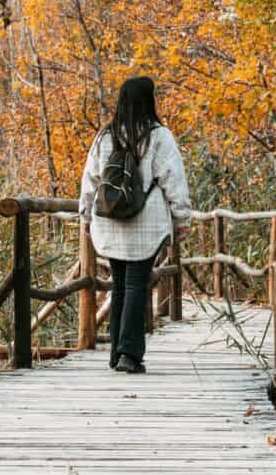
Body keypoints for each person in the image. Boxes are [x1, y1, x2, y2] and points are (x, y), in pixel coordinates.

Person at [79, 76, 192, 374]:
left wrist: (85, 216)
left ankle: (117, 353)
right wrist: (182, 219)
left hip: (109, 222)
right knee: (136, 285)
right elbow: (173, 180)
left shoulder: (106, 136)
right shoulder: (158, 136)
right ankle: (129, 353)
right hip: (146, 223)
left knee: (120, 285)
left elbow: (90, 179)